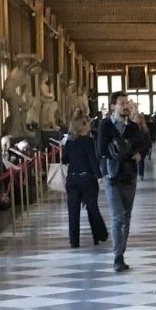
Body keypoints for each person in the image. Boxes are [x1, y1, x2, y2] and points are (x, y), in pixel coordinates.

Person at [96, 92, 146, 273]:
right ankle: (117, 257)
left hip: (129, 176)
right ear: (113, 107)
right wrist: (119, 151)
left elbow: (142, 144)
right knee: (117, 216)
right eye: (122, 103)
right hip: (112, 176)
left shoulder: (132, 126)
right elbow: (101, 149)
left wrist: (139, 153)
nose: (125, 106)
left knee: (126, 216)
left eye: (127, 103)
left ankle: (121, 253)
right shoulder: (105, 125)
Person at [61, 113, 108, 248]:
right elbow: (93, 160)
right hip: (87, 178)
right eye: (86, 123)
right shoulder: (88, 141)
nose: (89, 125)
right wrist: (99, 176)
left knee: (73, 211)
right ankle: (99, 234)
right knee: (92, 208)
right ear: (81, 127)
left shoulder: (69, 142)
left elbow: (65, 160)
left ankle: (74, 241)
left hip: (73, 180)